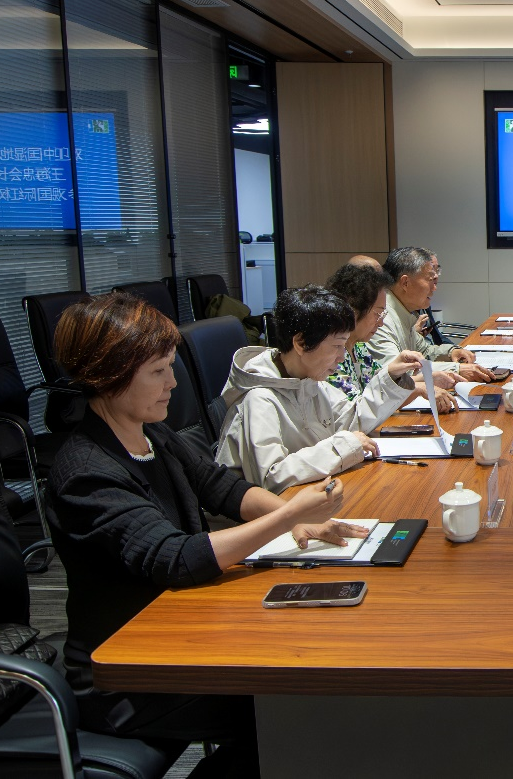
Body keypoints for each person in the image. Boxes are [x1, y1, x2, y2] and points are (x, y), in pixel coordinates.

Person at [46, 293, 365, 776]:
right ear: (109, 375)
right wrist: (287, 517)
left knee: (305, 687)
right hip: (127, 675)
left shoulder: (149, 432)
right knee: (292, 708)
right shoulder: (86, 472)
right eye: (158, 371)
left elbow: (221, 487)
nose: (173, 383)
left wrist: (298, 518)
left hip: (179, 628)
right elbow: (175, 557)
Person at [217, 285, 424, 492]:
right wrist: (343, 447)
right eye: (337, 346)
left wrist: (391, 376)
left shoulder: (310, 382)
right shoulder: (258, 398)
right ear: (301, 343)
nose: (342, 357)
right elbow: (271, 477)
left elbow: (353, 420)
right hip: (276, 507)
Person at [324, 262, 458, 413]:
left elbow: (377, 386)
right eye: (378, 314)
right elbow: (356, 411)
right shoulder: (332, 354)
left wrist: (399, 373)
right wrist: (417, 389)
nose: (381, 322)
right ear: (352, 310)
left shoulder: (358, 347)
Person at [369, 246, 494, 383]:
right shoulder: (381, 319)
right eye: (430, 280)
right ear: (405, 283)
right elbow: (397, 373)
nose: (435, 288)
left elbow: (425, 351)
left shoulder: (405, 312)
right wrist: (456, 369)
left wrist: (451, 352)